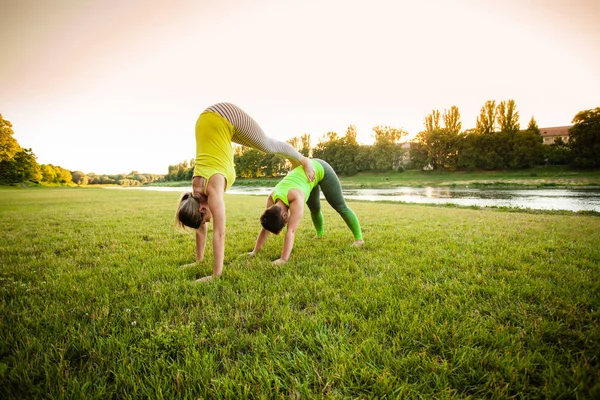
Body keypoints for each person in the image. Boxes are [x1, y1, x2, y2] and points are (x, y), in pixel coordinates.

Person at [175, 102, 316, 282]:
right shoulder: (196, 191)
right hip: (206, 122)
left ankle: (304, 160)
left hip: (224, 115)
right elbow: (201, 229)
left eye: (206, 219)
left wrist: (215, 276)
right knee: (263, 144)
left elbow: (219, 234)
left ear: (202, 209)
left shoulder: (212, 189)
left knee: (266, 145)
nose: (208, 222)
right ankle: (200, 259)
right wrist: (199, 260)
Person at [248, 158, 363, 264]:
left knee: (340, 206)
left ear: (284, 215)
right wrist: (255, 251)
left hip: (320, 169)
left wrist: (283, 259)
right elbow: (266, 226)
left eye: (284, 224)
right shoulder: (271, 198)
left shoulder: (295, 198)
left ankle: (359, 240)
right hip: (306, 178)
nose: (285, 225)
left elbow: (291, 231)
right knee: (315, 209)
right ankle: (320, 235)